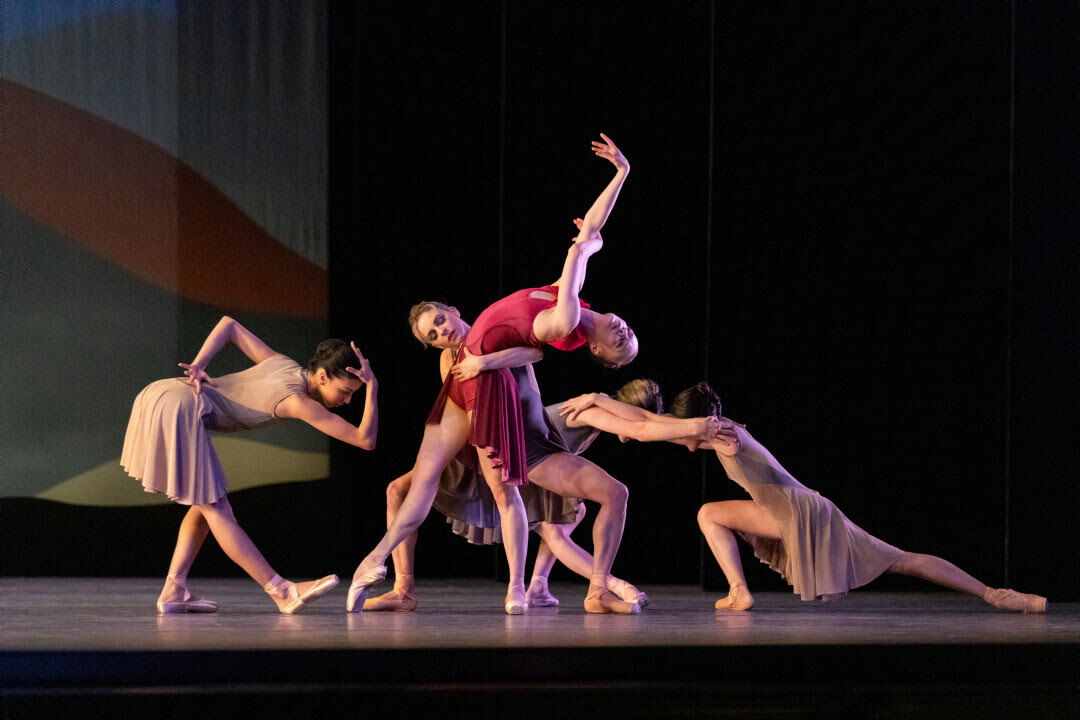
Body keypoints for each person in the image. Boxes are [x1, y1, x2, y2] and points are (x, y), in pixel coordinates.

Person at [346, 134, 635, 614]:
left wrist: (584, 248)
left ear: (599, 349)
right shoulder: (565, 303)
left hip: (503, 410)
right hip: (476, 405)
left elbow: (537, 350)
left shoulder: (561, 322)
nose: (623, 329)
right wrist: (621, 174)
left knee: (514, 498)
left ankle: (537, 588)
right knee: (414, 484)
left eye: (440, 321)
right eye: (434, 330)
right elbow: (588, 238)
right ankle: (379, 563)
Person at [364, 352, 720, 613]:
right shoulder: (593, 411)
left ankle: (539, 586)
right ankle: (403, 588)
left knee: (564, 520)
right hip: (491, 451)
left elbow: (647, 424)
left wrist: (701, 432)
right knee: (398, 489)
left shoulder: (595, 410)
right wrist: (696, 430)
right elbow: (641, 428)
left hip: (530, 462)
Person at [666, 381, 1047, 613]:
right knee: (902, 561)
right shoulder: (728, 432)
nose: (683, 444)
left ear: (698, 423)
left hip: (803, 515)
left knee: (708, 514)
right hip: (801, 509)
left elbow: (663, 429)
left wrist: (623, 419)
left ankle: (739, 592)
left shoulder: (725, 436)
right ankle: (998, 595)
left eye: (683, 433)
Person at [121, 316, 379, 614]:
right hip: (181, 405)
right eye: (345, 392)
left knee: (204, 504)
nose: (347, 400)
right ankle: (281, 590)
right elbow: (364, 439)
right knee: (217, 508)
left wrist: (199, 364)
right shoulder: (298, 401)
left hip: (161, 393)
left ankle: (173, 589)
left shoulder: (281, 362)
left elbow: (228, 325)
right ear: (322, 377)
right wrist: (373, 387)